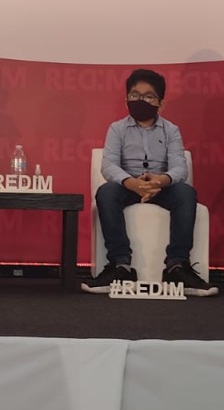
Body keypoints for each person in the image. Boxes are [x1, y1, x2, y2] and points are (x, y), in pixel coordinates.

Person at [83, 69, 217, 296]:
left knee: (186, 193)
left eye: (148, 96)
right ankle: (120, 265)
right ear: (126, 99)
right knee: (106, 192)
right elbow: (109, 165)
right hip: (128, 186)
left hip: (161, 187)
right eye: (135, 95)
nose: (140, 101)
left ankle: (177, 266)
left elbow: (179, 167)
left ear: (160, 103)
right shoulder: (117, 129)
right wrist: (131, 183)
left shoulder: (171, 130)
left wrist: (159, 181)